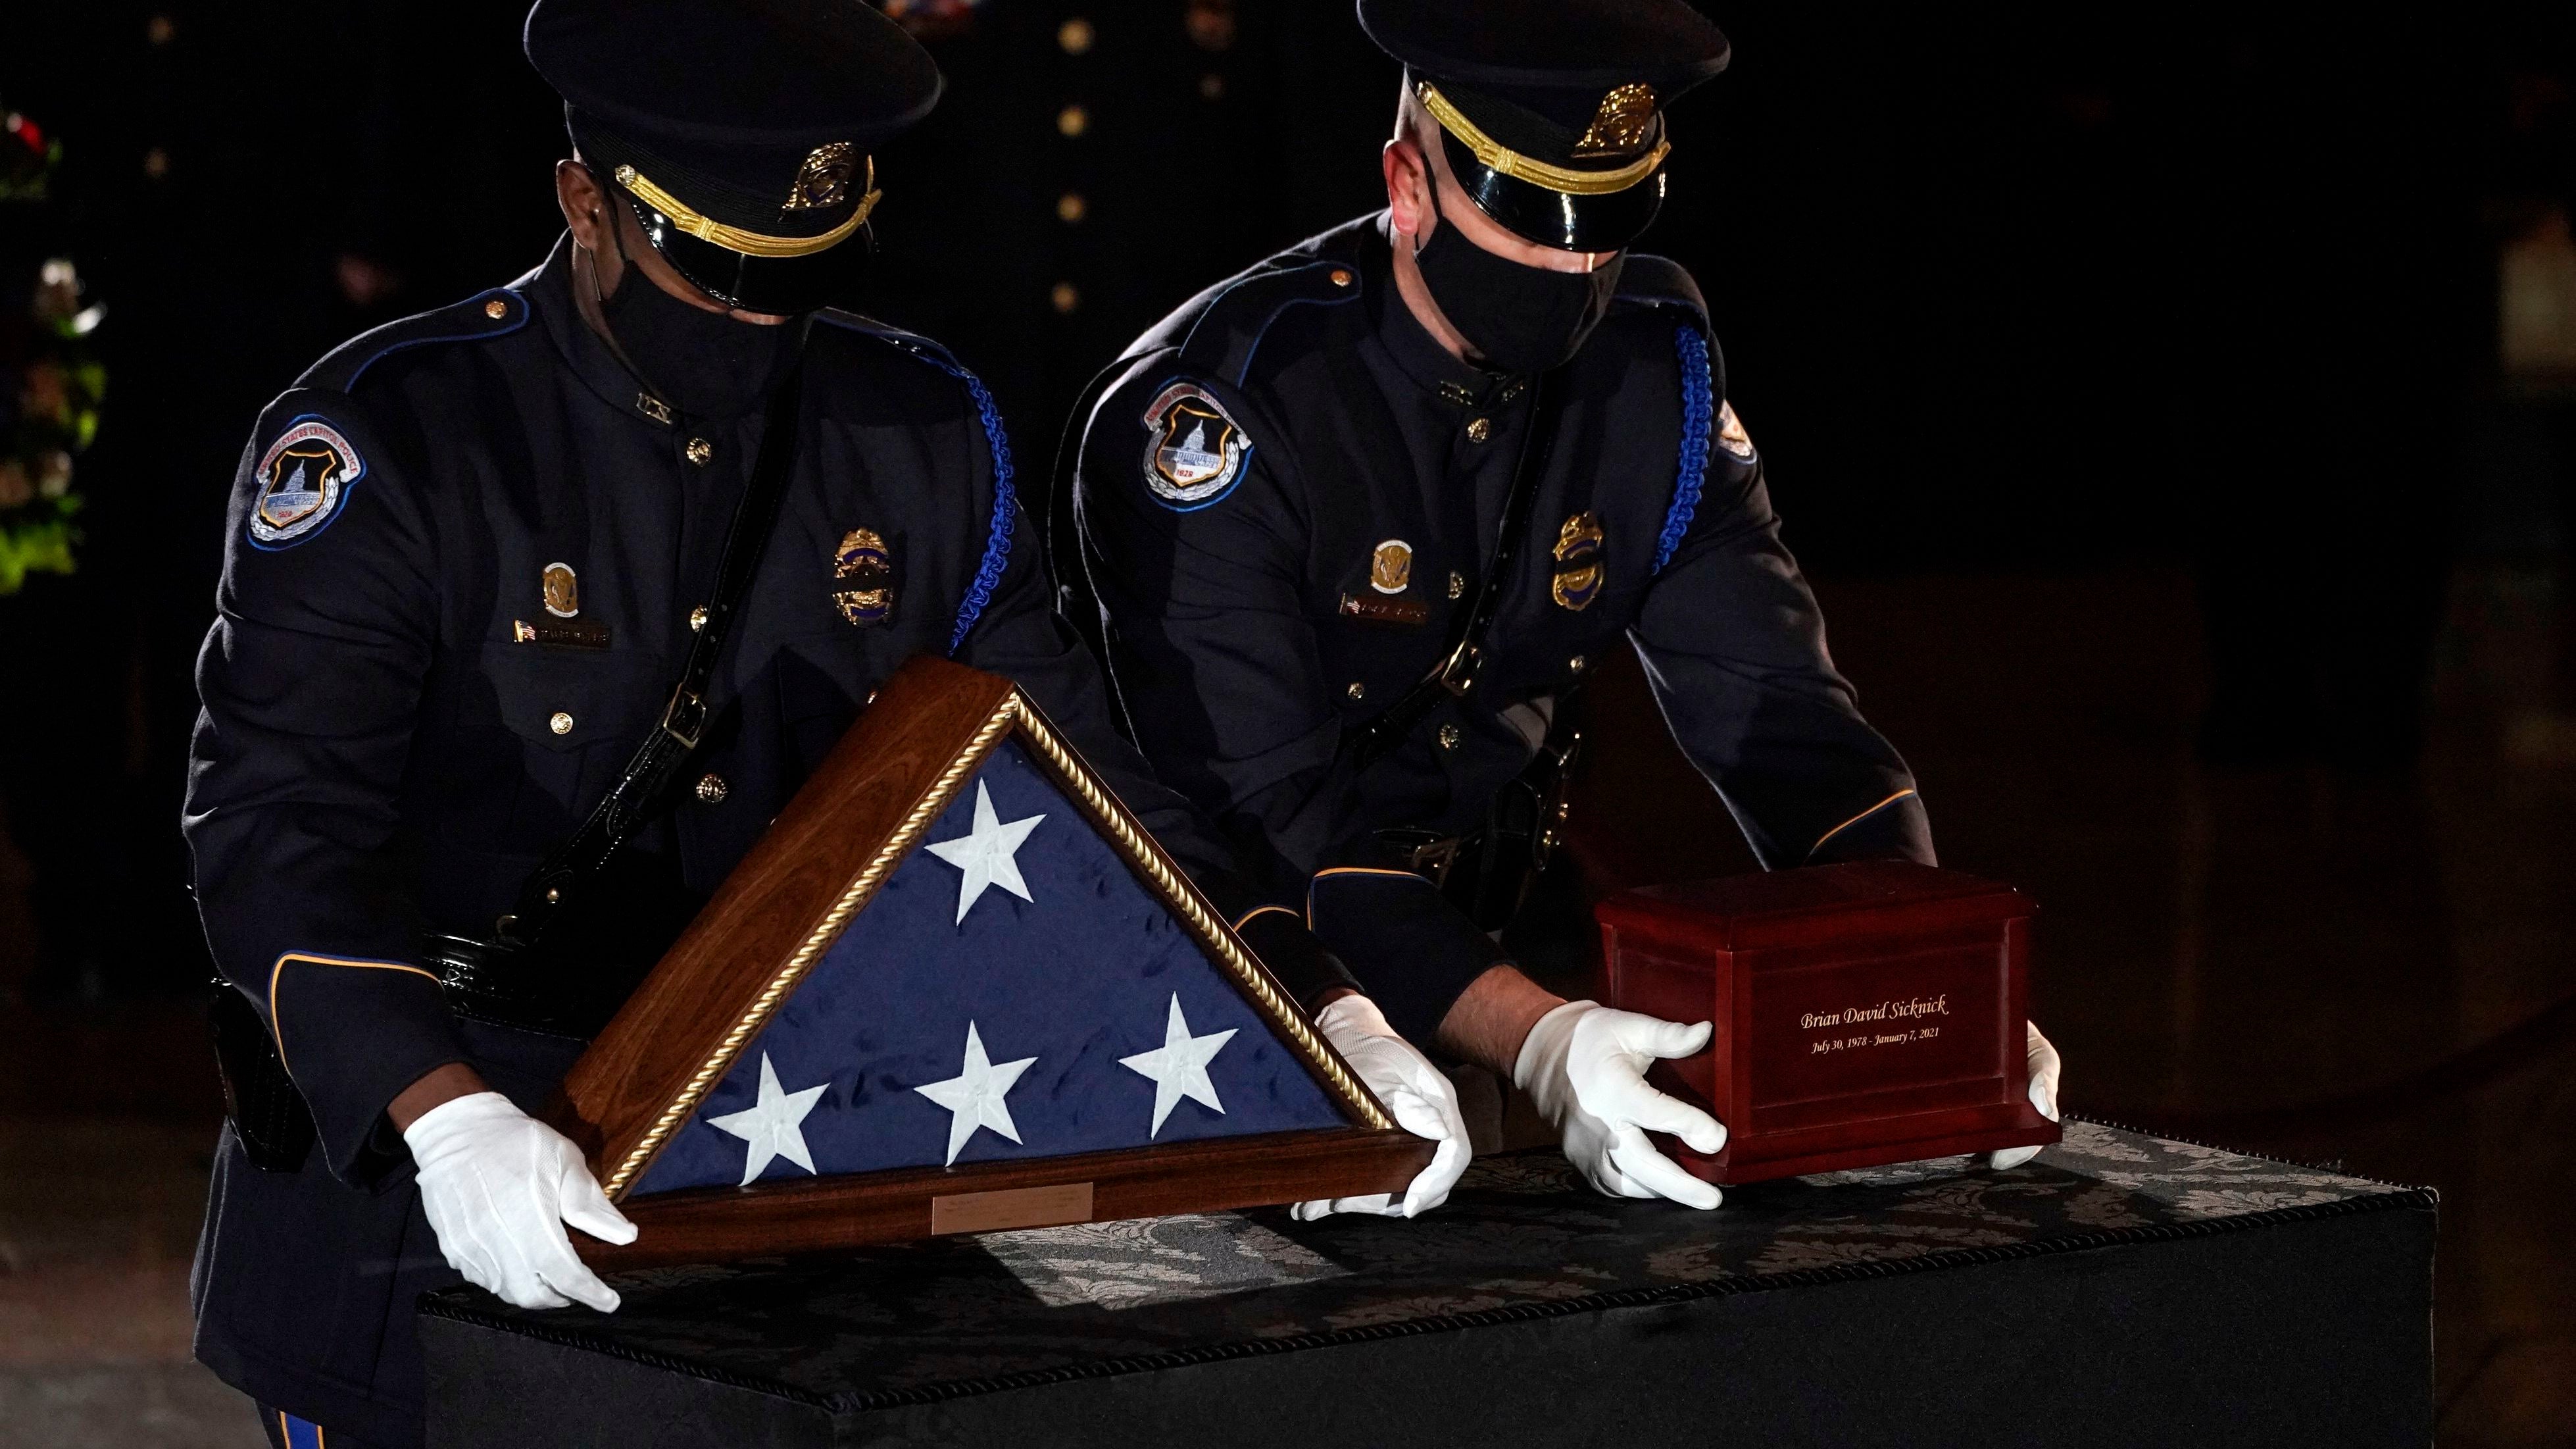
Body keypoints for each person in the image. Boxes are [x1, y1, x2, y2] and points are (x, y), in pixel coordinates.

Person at [184, 4, 1465, 1445]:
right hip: (448, 1157)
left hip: (765, 1161)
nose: (755, 323)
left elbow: (1095, 788)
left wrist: (1318, 1005)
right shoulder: (398, 437)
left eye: (797, 276)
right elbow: (276, 827)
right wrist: (438, 1112)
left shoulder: (917, 431)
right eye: (716, 273)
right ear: (585, 202)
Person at [1065, 0, 2062, 1218]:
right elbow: (1263, 811)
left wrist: (1929, 971)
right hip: (1224, 990)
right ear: (1410, 185)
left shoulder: (1652, 371)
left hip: (1483, 958)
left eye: (1608, 224)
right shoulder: (1229, 408)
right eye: (1531, 221)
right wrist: (1533, 1033)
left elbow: (1782, 717)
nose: (1575, 271)